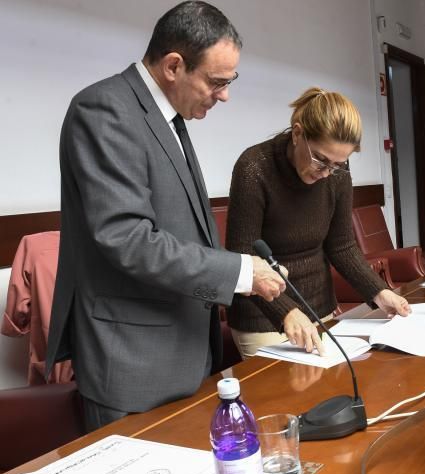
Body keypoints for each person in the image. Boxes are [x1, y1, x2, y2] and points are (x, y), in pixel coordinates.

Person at [46, 1, 286, 432]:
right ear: (174, 65)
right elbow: (128, 238)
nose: (225, 95)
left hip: (185, 348)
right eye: (216, 82)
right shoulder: (105, 110)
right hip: (133, 361)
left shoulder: (167, 116)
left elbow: (184, 227)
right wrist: (239, 273)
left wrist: (246, 273)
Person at [225, 87, 410, 357]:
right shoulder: (255, 167)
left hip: (318, 307)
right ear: (298, 134)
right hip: (262, 316)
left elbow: (342, 246)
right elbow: (243, 256)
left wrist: (379, 291)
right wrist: (286, 311)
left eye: (337, 164)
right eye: (320, 160)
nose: (326, 173)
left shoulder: (336, 172)